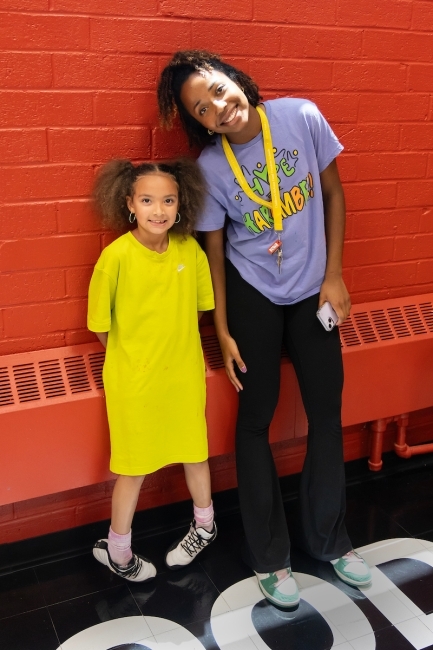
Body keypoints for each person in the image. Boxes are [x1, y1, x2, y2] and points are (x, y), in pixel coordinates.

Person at [157, 50, 372, 607]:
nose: (218, 108)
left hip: (312, 290)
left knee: (327, 411)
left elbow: (334, 193)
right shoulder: (209, 167)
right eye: (202, 109)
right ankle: (270, 558)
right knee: (255, 419)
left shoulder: (300, 116)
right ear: (198, 122)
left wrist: (335, 276)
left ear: (236, 80)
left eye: (218, 91)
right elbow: (215, 249)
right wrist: (222, 330)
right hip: (253, 292)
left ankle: (330, 540)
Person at [87, 157, 216, 582]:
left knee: (194, 453)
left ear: (181, 205)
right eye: (147, 200)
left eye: (167, 200)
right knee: (134, 466)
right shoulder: (115, 257)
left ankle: (205, 526)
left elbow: (199, 309)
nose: (158, 210)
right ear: (130, 204)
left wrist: (172, 351)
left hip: (182, 376)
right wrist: (136, 357)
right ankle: (118, 551)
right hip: (133, 381)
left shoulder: (190, 251)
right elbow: (101, 327)